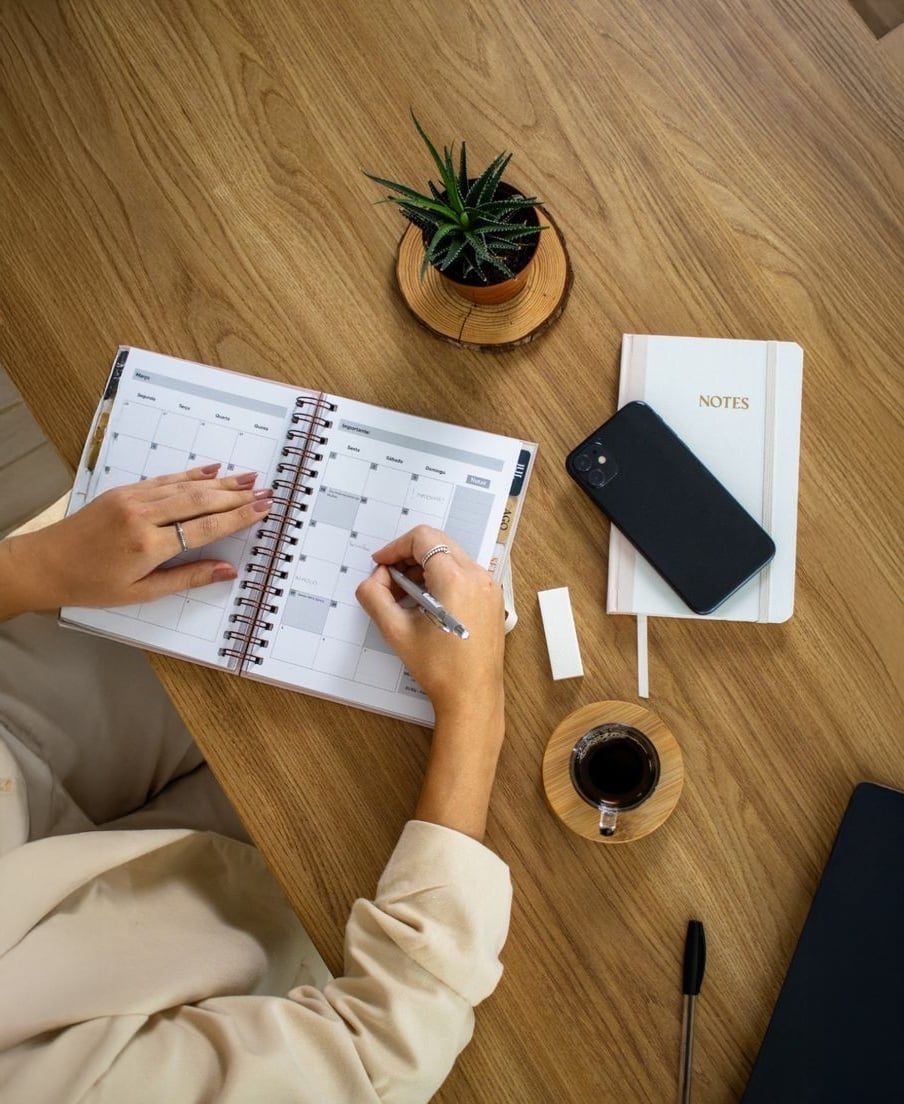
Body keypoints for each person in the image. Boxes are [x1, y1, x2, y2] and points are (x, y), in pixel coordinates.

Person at [0, 464, 511, 1103]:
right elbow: (382, 1056)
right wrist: (474, 708)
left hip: (31, 707)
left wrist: (30, 567)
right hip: (229, 906)